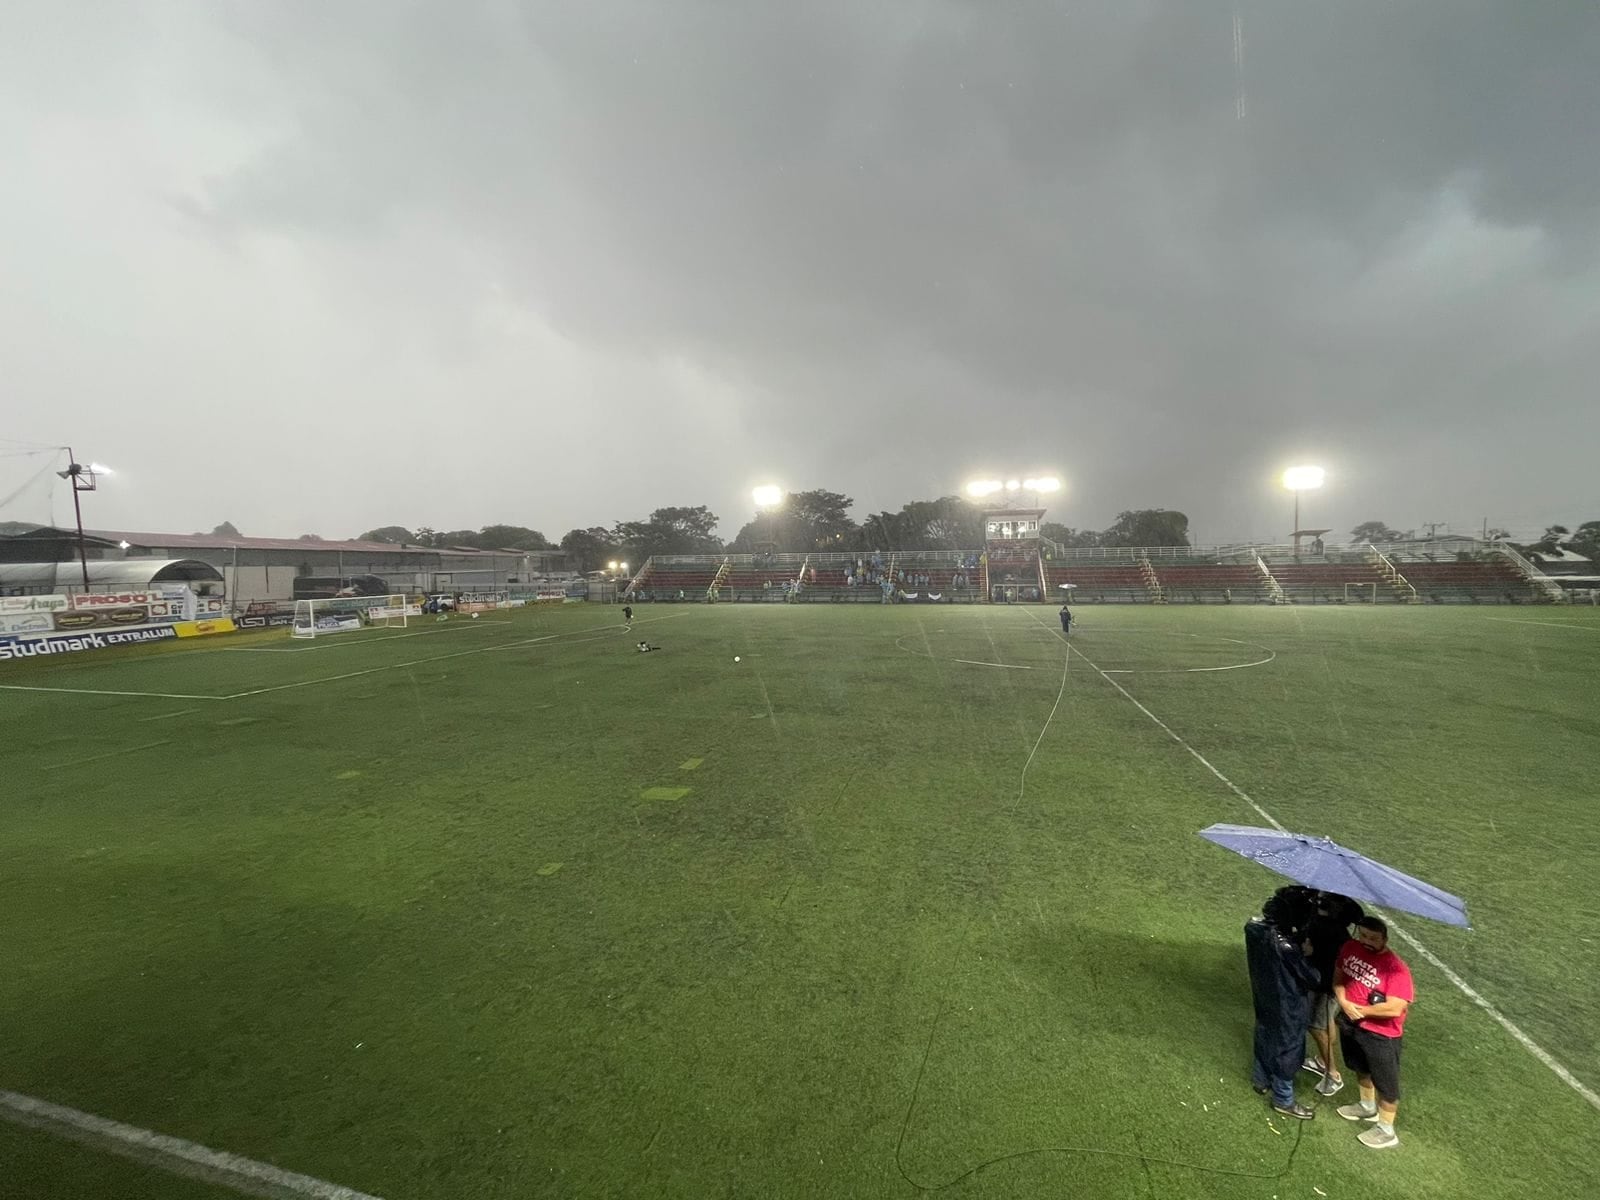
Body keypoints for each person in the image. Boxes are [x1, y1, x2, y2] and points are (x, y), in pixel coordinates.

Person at [1333, 916, 1414, 1149]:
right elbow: (1338, 977)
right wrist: (1344, 1003)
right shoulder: (1350, 947)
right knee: (1360, 1067)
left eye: (1374, 938)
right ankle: (1367, 1106)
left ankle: (1387, 1130)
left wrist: (1363, 1011)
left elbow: (1396, 1007)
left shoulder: (1396, 969)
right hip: (1351, 1023)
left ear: (1385, 939)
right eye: (1364, 935)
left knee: (1387, 1084)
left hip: (1381, 1034)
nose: (1367, 941)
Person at [1244, 888, 1321, 1119]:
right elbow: (1312, 978)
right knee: (1288, 1047)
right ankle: (1283, 1099)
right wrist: (1307, 952)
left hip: (1264, 993)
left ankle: (1260, 1079)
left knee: (1264, 1032)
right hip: (1288, 1002)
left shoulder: (1254, 927)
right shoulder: (1287, 948)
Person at [1301, 892, 1364, 1096]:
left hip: (1326, 986)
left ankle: (1333, 1074)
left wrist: (1307, 949)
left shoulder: (1327, 929)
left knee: (1316, 1025)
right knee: (1328, 1021)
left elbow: (1311, 954)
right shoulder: (1342, 933)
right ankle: (1321, 1061)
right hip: (1337, 986)